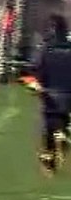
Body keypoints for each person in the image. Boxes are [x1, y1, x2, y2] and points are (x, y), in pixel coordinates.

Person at [27, 13, 71, 174]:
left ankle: (49, 162)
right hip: (68, 94)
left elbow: (34, 72)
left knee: (49, 128)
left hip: (51, 94)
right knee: (64, 120)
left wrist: (35, 88)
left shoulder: (45, 50)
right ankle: (64, 135)